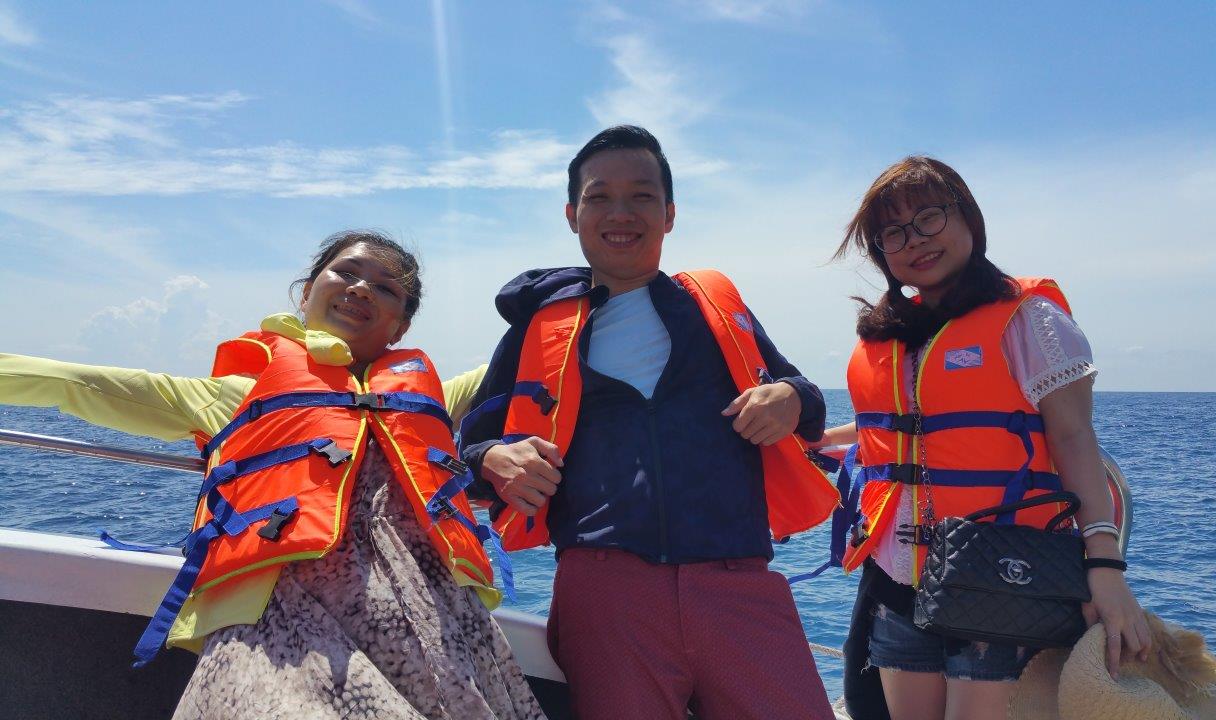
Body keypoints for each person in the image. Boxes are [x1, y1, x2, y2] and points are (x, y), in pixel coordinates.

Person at [0, 230, 545, 720]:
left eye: (385, 288)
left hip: (434, 619)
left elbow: (533, 362)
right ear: (306, 292)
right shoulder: (239, 395)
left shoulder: (429, 401)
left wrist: (570, 294)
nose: (361, 288)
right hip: (281, 616)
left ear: (400, 325)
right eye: (346, 272)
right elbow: (78, 383)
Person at [459, 125, 838, 720]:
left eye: (641, 195)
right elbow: (469, 450)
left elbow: (806, 401)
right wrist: (492, 459)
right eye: (599, 197)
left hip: (739, 580)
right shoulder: (538, 328)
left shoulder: (715, 308)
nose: (621, 213)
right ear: (572, 214)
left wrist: (790, 397)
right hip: (604, 591)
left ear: (669, 214)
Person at [818, 157, 1152, 720]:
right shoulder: (896, 336)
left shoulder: (1029, 320)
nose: (914, 240)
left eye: (929, 217)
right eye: (893, 233)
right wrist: (814, 438)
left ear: (968, 218)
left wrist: (1105, 567)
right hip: (898, 580)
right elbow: (901, 429)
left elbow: (1073, 437)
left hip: (1004, 580)